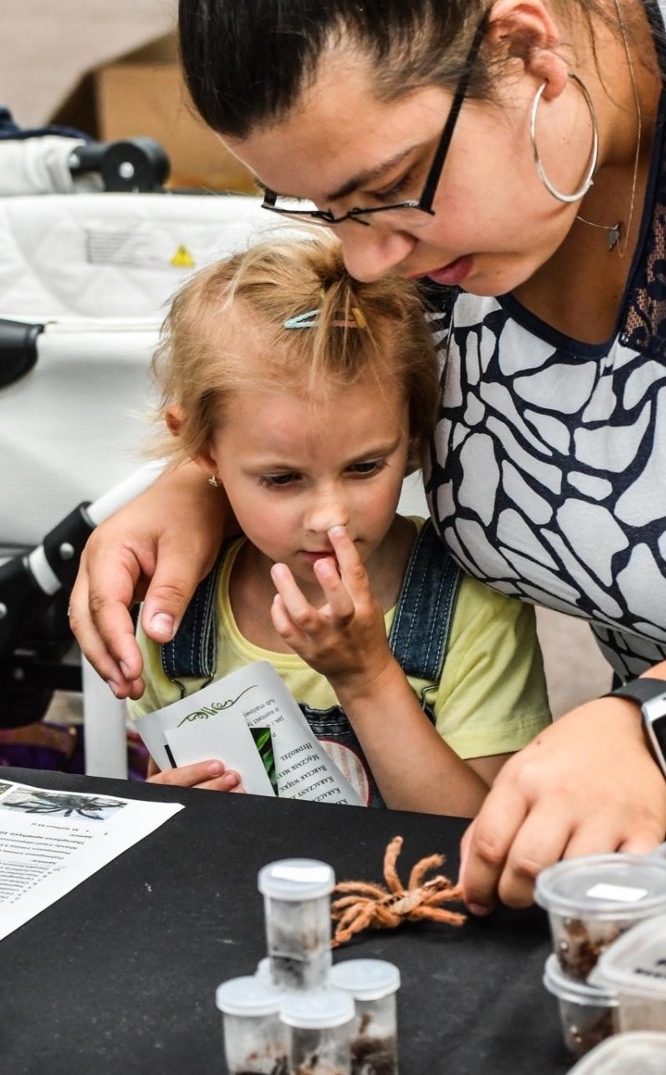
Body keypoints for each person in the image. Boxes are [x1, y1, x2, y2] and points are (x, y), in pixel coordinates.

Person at [69, 0, 666, 910]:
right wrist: (204, 483)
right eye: (325, 208)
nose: (369, 258)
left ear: (530, 51)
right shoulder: (454, 134)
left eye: (387, 189)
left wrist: (660, 732)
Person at [129, 233, 550, 814]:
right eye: (282, 479)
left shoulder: (476, 605)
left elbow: (477, 839)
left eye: (364, 467)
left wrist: (368, 679)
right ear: (203, 452)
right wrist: (169, 809)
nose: (330, 517)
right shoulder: (177, 614)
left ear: (414, 436)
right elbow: (169, 779)